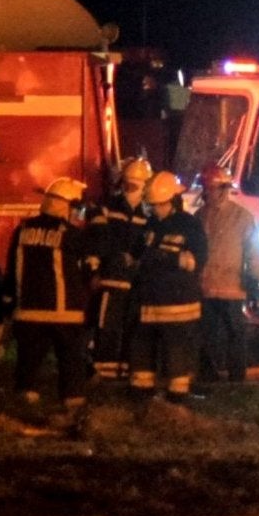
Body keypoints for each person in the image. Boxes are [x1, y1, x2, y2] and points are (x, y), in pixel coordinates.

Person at [4, 177, 93, 419]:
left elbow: (11, 269)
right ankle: (73, 409)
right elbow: (87, 269)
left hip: (28, 312)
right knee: (71, 362)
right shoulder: (71, 234)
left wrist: (8, 304)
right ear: (65, 205)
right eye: (76, 208)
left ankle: (25, 406)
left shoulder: (22, 230)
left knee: (28, 363)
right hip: (65, 313)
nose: (77, 214)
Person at [130, 171, 207, 403]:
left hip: (178, 305)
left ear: (173, 201)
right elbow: (138, 254)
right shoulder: (151, 225)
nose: (155, 209)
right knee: (143, 350)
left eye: (159, 205)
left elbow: (197, 260)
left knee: (176, 352)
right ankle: (141, 395)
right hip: (150, 302)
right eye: (152, 205)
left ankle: (177, 398)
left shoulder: (189, 226)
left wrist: (166, 258)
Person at [86, 157, 153, 383]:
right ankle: (103, 374)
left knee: (130, 329)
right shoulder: (107, 207)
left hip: (134, 284)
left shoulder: (148, 215)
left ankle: (123, 373)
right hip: (110, 280)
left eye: (134, 185)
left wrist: (136, 259)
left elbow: (148, 246)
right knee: (106, 327)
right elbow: (96, 241)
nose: (130, 188)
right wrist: (94, 271)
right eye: (127, 183)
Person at [195, 166, 258, 387]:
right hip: (207, 286)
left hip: (233, 287)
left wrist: (252, 279)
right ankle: (209, 377)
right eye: (204, 188)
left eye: (209, 189)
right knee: (207, 334)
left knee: (235, 334)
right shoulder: (200, 215)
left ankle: (236, 380)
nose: (205, 193)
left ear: (222, 190)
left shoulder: (242, 217)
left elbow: (253, 251)